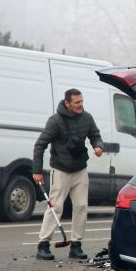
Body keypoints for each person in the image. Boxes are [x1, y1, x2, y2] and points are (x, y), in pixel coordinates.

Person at [32, 89, 104, 261]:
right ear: (67, 103)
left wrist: (98, 146)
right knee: (55, 206)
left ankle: (76, 245)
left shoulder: (87, 118)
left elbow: (95, 135)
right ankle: (43, 245)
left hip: (80, 170)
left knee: (81, 206)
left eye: (82, 101)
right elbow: (40, 144)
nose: (80, 105)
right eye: (77, 102)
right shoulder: (55, 121)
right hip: (61, 170)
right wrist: (37, 171)